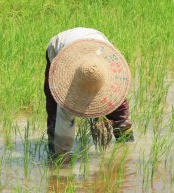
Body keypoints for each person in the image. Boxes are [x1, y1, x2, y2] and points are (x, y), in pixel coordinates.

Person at [44, 27, 133, 156]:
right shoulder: (66, 88)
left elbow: (122, 116)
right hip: (62, 47)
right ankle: (53, 149)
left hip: (98, 44)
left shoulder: (107, 73)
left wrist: (126, 155)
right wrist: (61, 161)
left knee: (118, 109)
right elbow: (64, 125)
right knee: (55, 106)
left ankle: (125, 145)